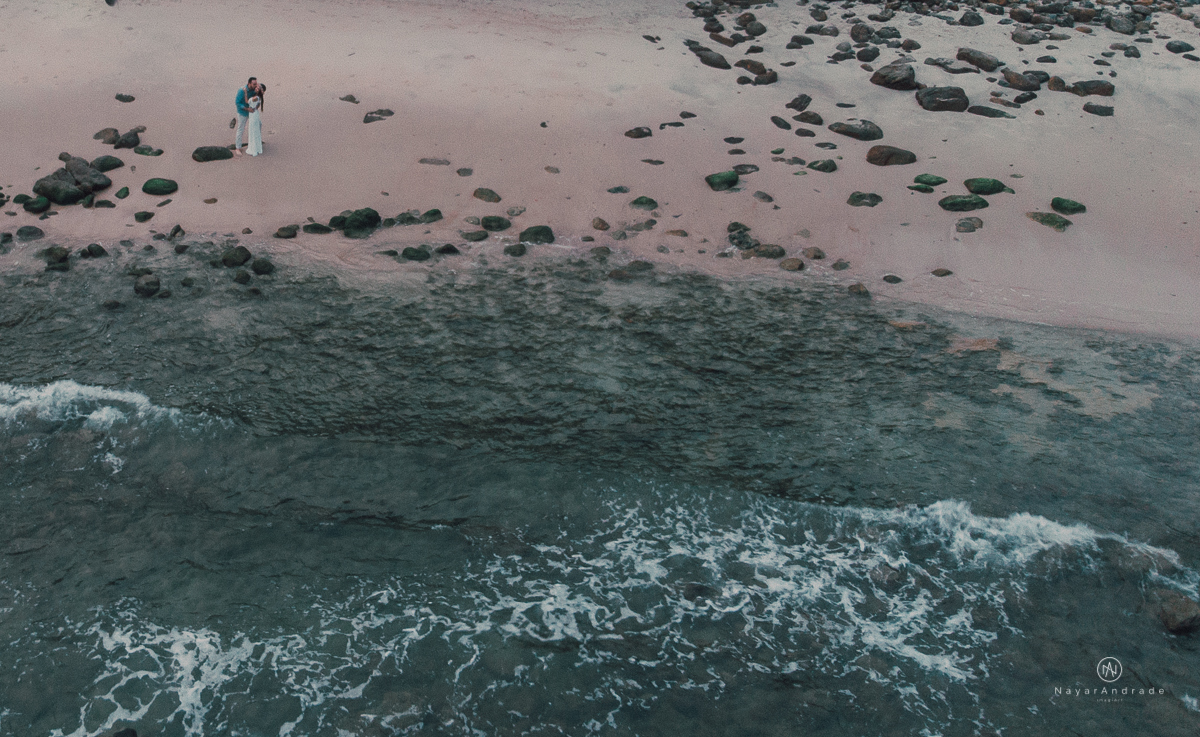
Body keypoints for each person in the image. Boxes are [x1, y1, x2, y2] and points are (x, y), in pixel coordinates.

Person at [234, 77, 259, 156]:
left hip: (252, 112)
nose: (256, 85)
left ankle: (255, 143)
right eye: (254, 84)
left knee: (258, 125)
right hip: (243, 112)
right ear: (249, 84)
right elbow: (237, 103)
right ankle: (237, 147)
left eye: (256, 84)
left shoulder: (255, 89)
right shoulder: (242, 90)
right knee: (241, 129)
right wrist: (246, 109)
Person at [246, 87, 264, 156]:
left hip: (253, 114)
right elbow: (257, 106)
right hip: (255, 113)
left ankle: (253, 148)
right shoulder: (259, 98)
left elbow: (248, 101)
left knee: (253, 130)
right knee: (255, 130)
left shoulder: (256, 97)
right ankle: (257, 147)